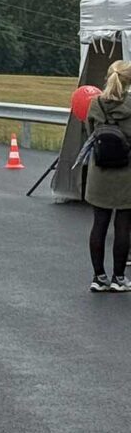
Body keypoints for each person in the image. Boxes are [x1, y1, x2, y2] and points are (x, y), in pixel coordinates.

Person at [85, 60, 131, 292]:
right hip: (126, 173)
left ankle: (98, 277)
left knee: (99, 224)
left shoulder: (95, 103)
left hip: (100, 171)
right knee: (123, 225)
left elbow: (90, 132)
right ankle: (119, 278)